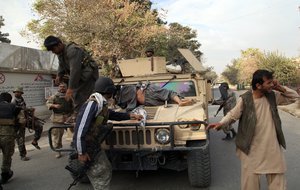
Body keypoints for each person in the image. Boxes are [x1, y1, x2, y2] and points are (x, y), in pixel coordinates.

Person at [207, 69, 300, 190]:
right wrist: (221, 123)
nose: (272, 84)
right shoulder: (245, 99)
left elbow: (295, 97)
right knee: (250, 183)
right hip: (251, 147)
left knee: (278, 182)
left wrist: (279, 87)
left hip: (272, 147)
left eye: (273, 82)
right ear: (258, 85)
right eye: (269, 83)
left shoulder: (273, 96)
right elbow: (232, 114)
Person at [73, 76, 143, 190]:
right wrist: (81, 152)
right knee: (100, 175)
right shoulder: (92, 104)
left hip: (93, 145)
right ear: (109, 91)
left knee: (105, 170)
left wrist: (130, 115)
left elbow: (111, 114)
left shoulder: (100, 104)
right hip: (87, 147)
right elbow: (80, 129)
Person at [43, 35, 99, 115]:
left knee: (80, 97)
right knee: (76, 97)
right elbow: (61, 65)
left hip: (88, 77)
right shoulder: (61, 53)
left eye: (53, 49)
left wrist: (70, 89)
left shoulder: (72, 50)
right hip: (81, 77)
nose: (53, 52)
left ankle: (83, 117)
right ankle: (79, 115)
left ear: (59, 45)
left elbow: (75, 70)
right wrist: (59, 75)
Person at [117, 83, 194, 112]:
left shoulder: (152, 90)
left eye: (135, 99)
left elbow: (170, 93)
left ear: (139, 92)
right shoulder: (134, 94)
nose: (135, 102)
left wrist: (179, 102)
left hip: (174, 104)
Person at [46, 82, 73, 158]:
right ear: (58, 88)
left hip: (69, 117)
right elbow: (48, 104)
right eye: (60, 86)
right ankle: (58, 150)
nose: (62, 88)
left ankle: (76, 148)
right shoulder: (54, 96)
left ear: (66, 88)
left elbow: (74, 105)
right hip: (58, 118)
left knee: (76, 133)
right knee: (57, 135)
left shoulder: (69, 96)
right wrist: (54, 105)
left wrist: (73, 115)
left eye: (64, 87)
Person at [0, 92, 18, 184]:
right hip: (7, 135)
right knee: (6, 155)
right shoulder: (12, 106)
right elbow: (21, 121)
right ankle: (5, 175)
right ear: (9, 99)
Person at [11, 87, 30, 161]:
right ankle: (22, 155)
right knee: (20, 139)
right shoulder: (13, 101)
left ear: (21, 93)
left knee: (21, 139)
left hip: (22, 121)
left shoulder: (21, 99)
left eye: (19, 92)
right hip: (16, 123)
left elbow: (23, 109)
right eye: (16, 92)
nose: (17, 93)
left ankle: (22, 154)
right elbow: (15, 112)